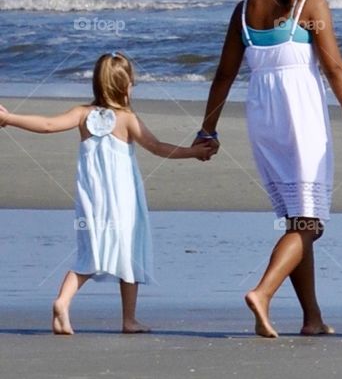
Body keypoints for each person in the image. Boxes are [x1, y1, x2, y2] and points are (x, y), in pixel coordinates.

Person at [197, 0, 342, 338]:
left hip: (262, 118)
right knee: (310, 222)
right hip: (301, 120)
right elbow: (334, 68)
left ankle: (311, 318)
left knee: (299, 218)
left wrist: (209, 130)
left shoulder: (245, 9)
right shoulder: (311, 5)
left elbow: (223, 75)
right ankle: (262, 292)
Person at [0, 52, 214, 335]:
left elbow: (48, 125)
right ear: (126, 87)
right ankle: (129, 319)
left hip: (92, 200)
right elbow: (158, 147)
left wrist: (9, 118)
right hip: (123, 202)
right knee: (129, 252)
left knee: (90, 253)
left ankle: (63, 301)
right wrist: (193, 153)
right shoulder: (126, 118)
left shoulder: (82, 114)